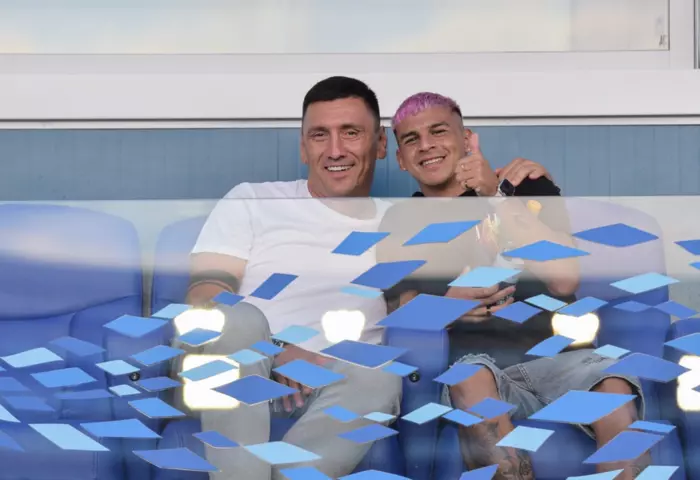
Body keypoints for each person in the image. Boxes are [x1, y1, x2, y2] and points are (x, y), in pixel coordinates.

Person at [378, 92, 649, 480]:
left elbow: (563, 277)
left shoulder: (525, 186)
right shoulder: (401, 219)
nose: (426, 145)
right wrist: (448, 305)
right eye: (411, 139)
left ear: (467, 139)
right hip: (477, 366)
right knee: (470, 382)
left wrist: (496, 195)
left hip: (561, 359)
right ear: (402, 159)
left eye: (439, 131)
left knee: (614, 390)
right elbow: (398, 310)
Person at [185, 76, 402, 480]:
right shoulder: (254, 199)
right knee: (234, 318)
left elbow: (430, 300)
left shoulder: (399, 224)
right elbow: (206, 295)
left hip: (335, 389)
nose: (335, 150)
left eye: (351, 133)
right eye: (320, 135)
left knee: (382, 376)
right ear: (303, 147)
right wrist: (276, 349)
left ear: (380, 143)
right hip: (243, 367)